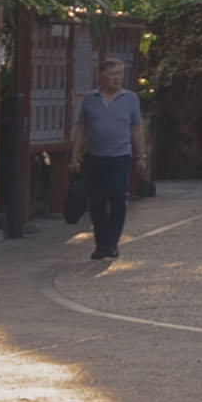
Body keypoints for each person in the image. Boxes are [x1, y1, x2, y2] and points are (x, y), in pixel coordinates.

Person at [69, 50, 143, 265]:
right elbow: (82, 129)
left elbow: (137, 127)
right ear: (101, 76)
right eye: (112, 74)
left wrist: (141, 154)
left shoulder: (130, 98)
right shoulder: (90, 100)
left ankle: (113, 242)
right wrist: (75, 156)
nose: (117, 78)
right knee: (98, 201)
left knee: (119, 197)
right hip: (94, 156)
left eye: (119, 74)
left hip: (120, 156)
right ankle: (101, 243)